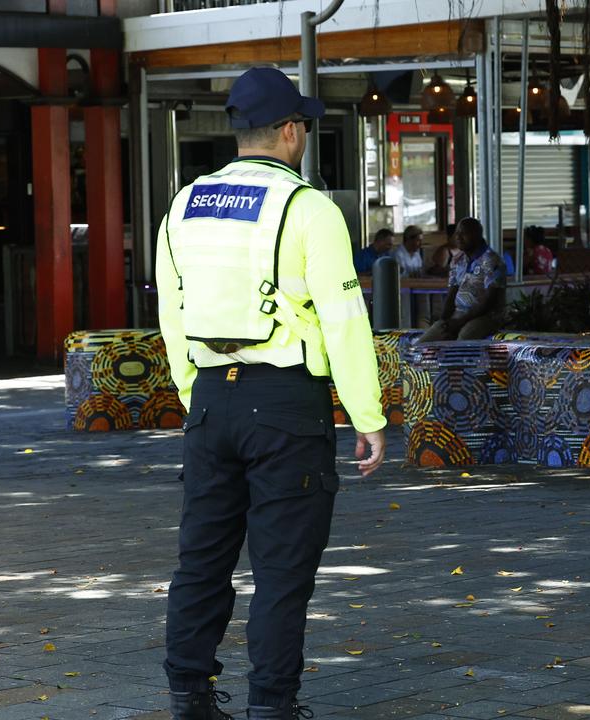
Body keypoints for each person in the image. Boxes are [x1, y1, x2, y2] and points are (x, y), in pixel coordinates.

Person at [155, 66, 387, 720]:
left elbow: (171, 313)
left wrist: (191, 396)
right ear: (289, 131)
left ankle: (189, 697)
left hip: (210, 402)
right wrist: (366, 414)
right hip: (286, 405)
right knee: (282, 573)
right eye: (304, 126)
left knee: (201, 560)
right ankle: (271, 707)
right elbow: (343, 317)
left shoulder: (185, 204)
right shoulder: (307, 207)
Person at [419, 217, 507, 341]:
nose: (458, 237)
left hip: (487, 316)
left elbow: (489, 301)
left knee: (464, 337)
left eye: (463, 233)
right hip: (459, 314)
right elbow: (451, 295)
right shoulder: (457, 260)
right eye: (457, 233)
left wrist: (459, 322)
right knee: (425, 341)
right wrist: (443, 321)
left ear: (477, 235)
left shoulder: (491, 260)